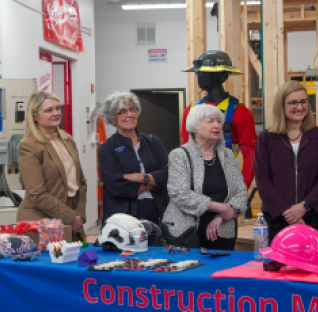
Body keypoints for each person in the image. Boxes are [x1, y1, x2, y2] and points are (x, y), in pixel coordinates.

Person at [254, 81, 318, 244]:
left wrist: (304, 206)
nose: (300, 107)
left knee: (315, 266)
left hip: (313, 215)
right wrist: (288, 213)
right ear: (281, 106)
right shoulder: (266, 138)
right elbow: (262, 180)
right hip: (278, 216)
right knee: (278, 267)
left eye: (303, 101)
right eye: (293, 103)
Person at [162, 105, 248, 250]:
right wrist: (220, 207)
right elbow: (180, 194)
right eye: (210, 121)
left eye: (219, 122)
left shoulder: (228, 156)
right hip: (184, 234)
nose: (216, 125)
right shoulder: (179, 155)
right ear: (195, 128)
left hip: (222, 232)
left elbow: (241, 194)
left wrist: (221, 216)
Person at [181, 50, 257, 190]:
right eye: (199, 73)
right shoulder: (190, 111)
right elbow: (184, 153)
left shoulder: (240, 113)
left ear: (223, 76)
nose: (201, 76)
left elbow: (251, 157)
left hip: (225, 186)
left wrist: (239, 192)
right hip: (194, 188)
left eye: (207, 73)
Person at [17, 91, 87, 241]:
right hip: (42, 221)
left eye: (57, 108)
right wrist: (71, 217)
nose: (56, 113)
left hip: (72, 218)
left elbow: (81, 182)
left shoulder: (68, 140)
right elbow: (37, 194)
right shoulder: (29, 146)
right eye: (49, 110)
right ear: (34, 116)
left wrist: (79, 215)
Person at [99, 92, 168, 227]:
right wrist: (151, 184)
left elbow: (168, 173)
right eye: (122, 112)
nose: (129, 115)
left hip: (154, 210)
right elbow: (115, 186)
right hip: (122, 214)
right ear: (113, 117)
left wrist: (140, 178)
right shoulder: (107, 148)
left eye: (132, 109)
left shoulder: (154, 142)